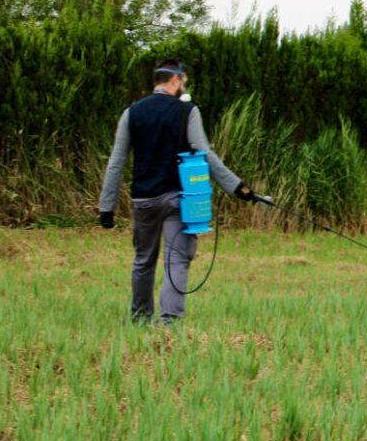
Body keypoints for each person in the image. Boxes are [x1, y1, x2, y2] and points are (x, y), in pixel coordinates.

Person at [99, 59, 258, 325]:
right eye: (183, 81)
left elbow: (116, 162)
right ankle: (168, 322)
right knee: (177, 260)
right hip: (176, 199)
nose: (184, 85)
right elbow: (205, 154)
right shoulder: (188, 112)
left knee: (143, 260)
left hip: (144, 200)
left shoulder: (131, 113)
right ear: (175, 79)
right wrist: (237, 187)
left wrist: (107, 206)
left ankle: (139, 318)